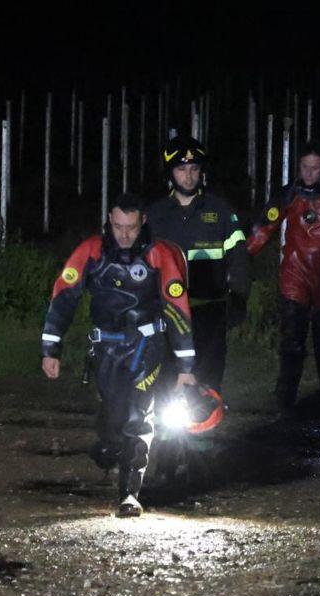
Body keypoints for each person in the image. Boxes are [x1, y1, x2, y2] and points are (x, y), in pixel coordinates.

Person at [40, 194, 196, 517]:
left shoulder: (160, 254)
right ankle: (107, 445)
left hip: (147, 345)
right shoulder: (91, 252)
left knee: (139, 418)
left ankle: (129, 494)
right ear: (109, 221)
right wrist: (51, 348)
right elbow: (63, 297)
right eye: (118, 226)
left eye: (131, 227)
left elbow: (177, 307)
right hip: (106, 348)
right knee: (113, 419)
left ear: (143, 224)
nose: (124, 234)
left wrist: (185, 365)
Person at [247, 143, 320, 410]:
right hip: (295, 276)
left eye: (315, 168)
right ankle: (285, 398)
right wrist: (244, 258)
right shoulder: (288, 195)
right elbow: (264, 227)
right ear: (298, 167)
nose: (309, 173)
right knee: (291, 341)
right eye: (304, 167)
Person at [145, 136, 249, 394]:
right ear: (170, 173)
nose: (188, 176)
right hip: (167, 313)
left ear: (202, 172)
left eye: (194, 169)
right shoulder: (155, 215)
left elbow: (239, 258)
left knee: (208, 382)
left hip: (209, 312)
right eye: (181, 169)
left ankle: (207, 431)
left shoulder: (220, 210)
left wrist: (238, 297)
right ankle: (166, 434)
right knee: (166, 381)